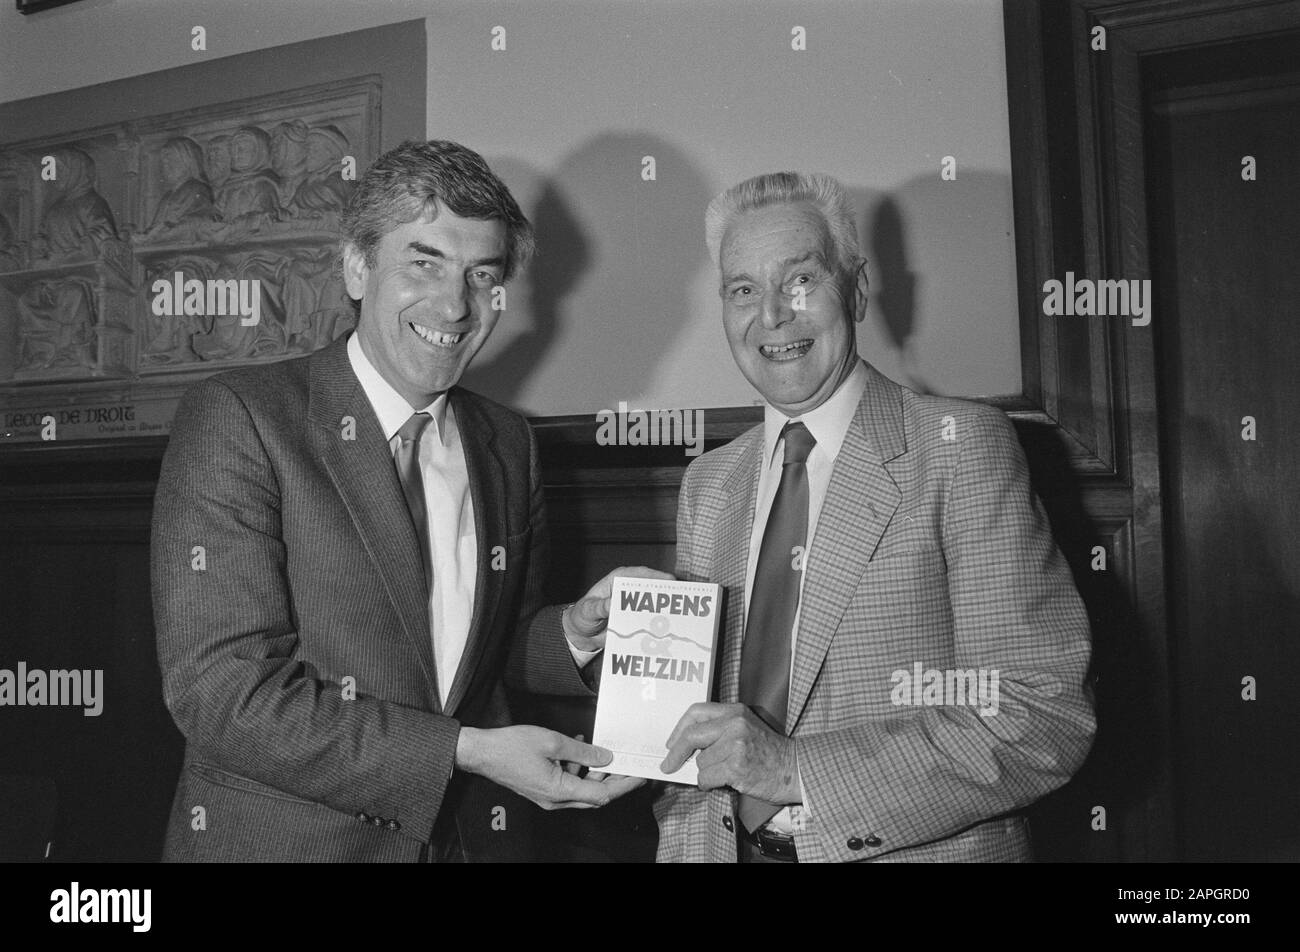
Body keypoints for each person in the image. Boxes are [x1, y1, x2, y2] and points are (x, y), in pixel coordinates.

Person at [152, 139, 652, 862]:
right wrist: (466, 751)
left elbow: (481, 657)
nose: (454, 305)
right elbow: (223, 695)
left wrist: (576, 630)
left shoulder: (507, 443)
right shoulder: (241, 418)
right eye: (424, 263)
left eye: (482, 275)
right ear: (357, 268)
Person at [655, 171, 1095, 862]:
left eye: (800, 280)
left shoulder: (960, 448)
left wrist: (796, 770)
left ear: (856, 289)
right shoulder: (708, 483)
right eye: (743, 289)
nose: (771, 315)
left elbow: (1041, 713)